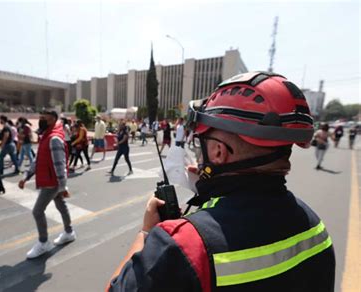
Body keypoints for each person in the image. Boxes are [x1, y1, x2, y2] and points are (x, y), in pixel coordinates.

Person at [107, 72, 335, 291]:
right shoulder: (316, 228)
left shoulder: (182, 245)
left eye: (201, 144)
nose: (198, 154)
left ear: (218, 151)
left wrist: (146, 233)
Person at [18, 110, 76, 259]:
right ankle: (69, 232)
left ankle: (43, 242)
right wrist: (26, 176)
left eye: (43, 118)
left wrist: (63, 187)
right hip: (49, 179)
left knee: (37, 211)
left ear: (52, 119)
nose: (40, 120)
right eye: (40, 117)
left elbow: (60, 164)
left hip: (52, 182)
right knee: (60, 205)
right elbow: (38, 160)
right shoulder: (46, 136)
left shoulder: (54, 138)